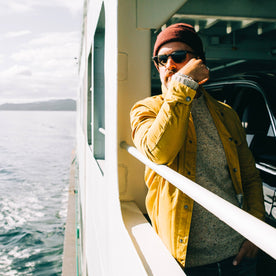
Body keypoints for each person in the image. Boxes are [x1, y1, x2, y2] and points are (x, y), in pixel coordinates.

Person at [130, 23, 265, 275]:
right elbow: (157, 152)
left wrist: (256, 230)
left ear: (199, 61)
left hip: (237, 254)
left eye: (179, 57)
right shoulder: (146, 109)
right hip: (185, 262)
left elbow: (249, 175)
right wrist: (182, 85)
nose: (169, 65)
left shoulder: (226, 114)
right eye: (161, 59)